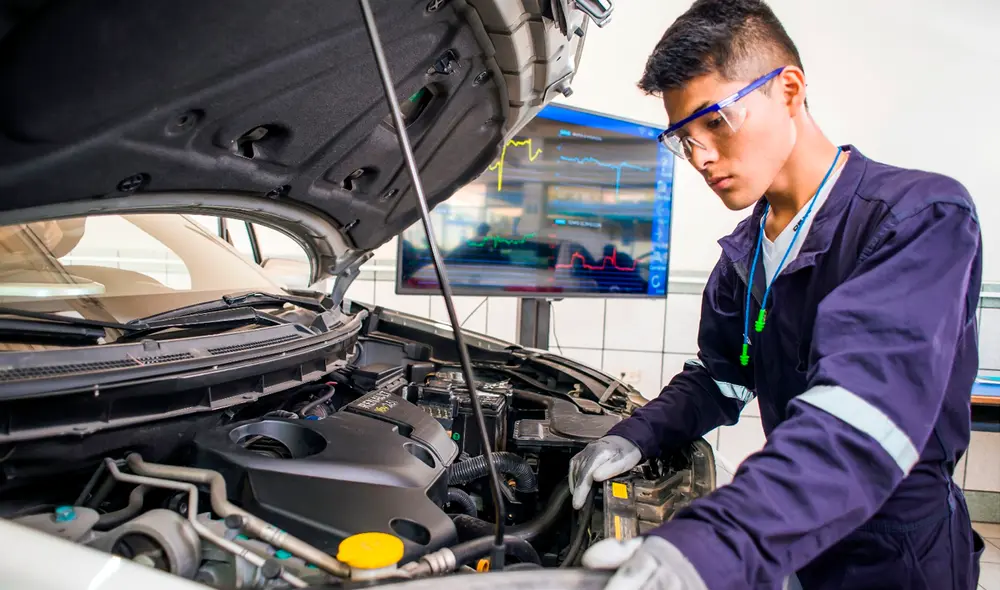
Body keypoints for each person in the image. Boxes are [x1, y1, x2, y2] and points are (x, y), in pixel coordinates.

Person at [569, 1, 986, 589]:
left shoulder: (918, 219)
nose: (702, 158)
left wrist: (716, 542)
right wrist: (633, 436)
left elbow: (862, 416)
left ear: (789, 90)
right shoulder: (743, 253)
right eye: (683, 139)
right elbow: (721, 380)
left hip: (896, 554)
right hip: (794, 539)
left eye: (715, 121)